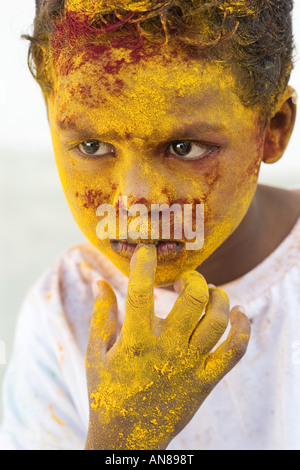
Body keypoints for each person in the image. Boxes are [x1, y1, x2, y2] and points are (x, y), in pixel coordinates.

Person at [1, 0, 300, 450]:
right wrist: (123, 439)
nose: (134, 201)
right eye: (92, 145)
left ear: (273, 129)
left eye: (184, 148)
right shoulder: (62, 310)